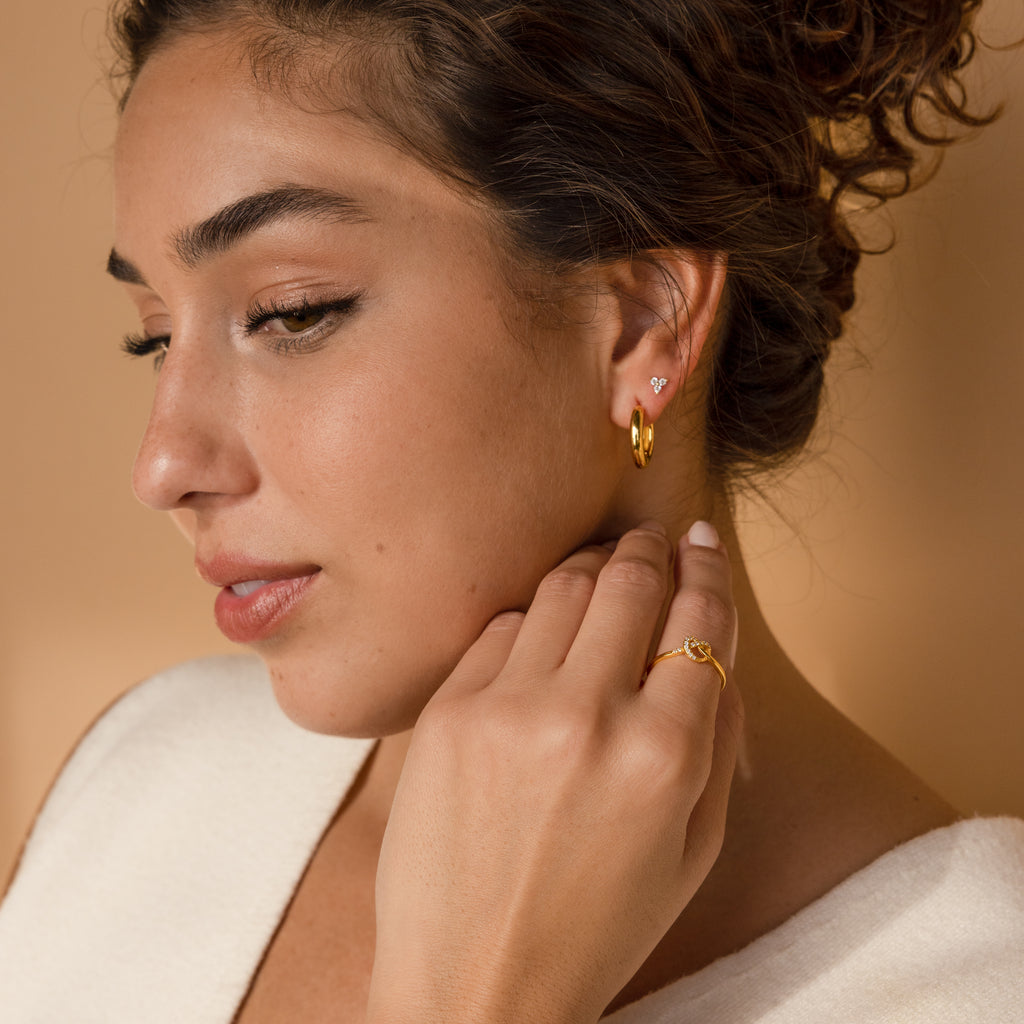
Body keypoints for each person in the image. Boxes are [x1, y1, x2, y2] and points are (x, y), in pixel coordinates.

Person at [1, 0, 1022, 1021]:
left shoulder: (973, 984)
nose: (163, 464)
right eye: (152, 334)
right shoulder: (150, 776)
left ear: (640, 323)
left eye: (289, 311)